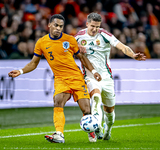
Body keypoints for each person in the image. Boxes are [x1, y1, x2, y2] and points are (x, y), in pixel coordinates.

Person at [8, 14, 102, 143]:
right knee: (58, 102)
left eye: (61, 26)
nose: (58, 28)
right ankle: (59, 134)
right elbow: (33, 63)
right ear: (49, 25)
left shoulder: (70, 40)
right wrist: (20, 71)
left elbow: (82, 58)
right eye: (56, 25)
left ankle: (92, 131)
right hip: (61, 79)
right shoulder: (41, 42)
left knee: (86, 110)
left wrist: (93, 71)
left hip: (76, 78)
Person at [75, 12, 146, 142]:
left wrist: (133, 55)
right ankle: (97, 127)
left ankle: (107, 129)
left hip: (106, 78)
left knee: (109, 112)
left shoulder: (104, 35)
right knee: (95, 97)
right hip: (90, 76)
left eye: (97, 26)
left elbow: (122, 47)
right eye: (92, 26)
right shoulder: (79, 37)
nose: (95, 29)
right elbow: (67, 48)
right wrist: (76, 48)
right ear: (87, 24)